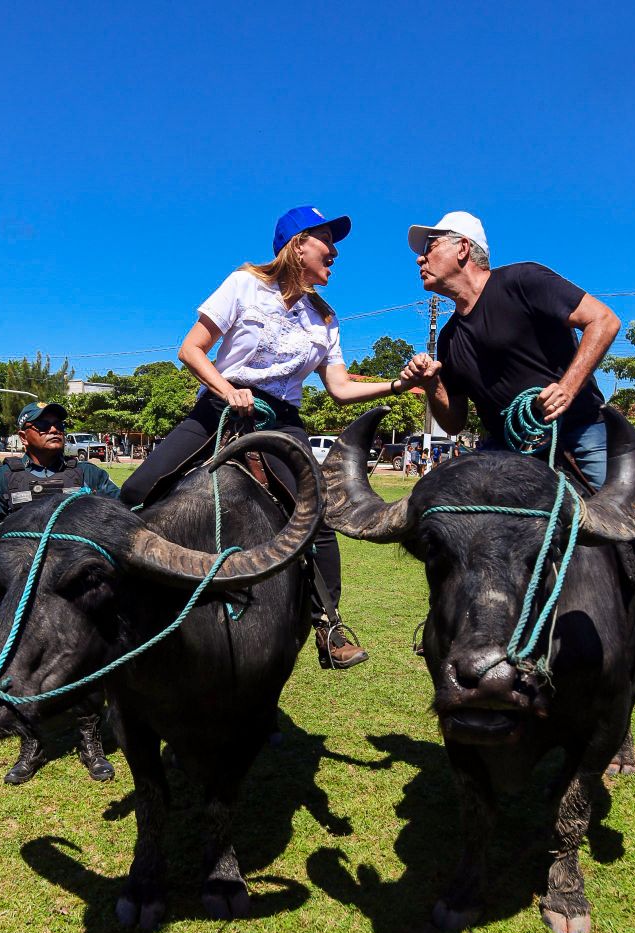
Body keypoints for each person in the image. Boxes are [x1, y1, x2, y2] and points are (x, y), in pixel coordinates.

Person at [120, 205, 419, 668]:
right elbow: (191, 350)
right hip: (220, 406)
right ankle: (107, 598)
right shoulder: (244, 285)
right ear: (297, 245)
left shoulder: (325, 319)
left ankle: (328, 625)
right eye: (326, 240)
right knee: (137, 490)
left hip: (281, 421)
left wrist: (397, 385)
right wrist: (227, 390)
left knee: (317, 516)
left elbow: (339, 389)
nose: (335, 252)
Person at [401, 210, 635, 680]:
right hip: (505, 445)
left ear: (463, 248)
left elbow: (604, 320)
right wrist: (432, 385)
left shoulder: (522, 281)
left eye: (429, 247)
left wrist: (568, 387)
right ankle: (460, 626)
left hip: (578, 429)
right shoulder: (449, 337)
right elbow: (454, 421)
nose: (420, 259)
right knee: (459, 523)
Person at [0, 401, 123, 782]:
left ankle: (90, 741)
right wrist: (17, 551)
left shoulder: (86, 473)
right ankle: (32, 744)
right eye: (43, 425)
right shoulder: (6, 478)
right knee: (19, 668)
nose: (55, 429)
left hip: (76, 596)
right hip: (21, 594)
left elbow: (122, 511)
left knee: (86, 663)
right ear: (24, 437)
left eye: (58, 424)